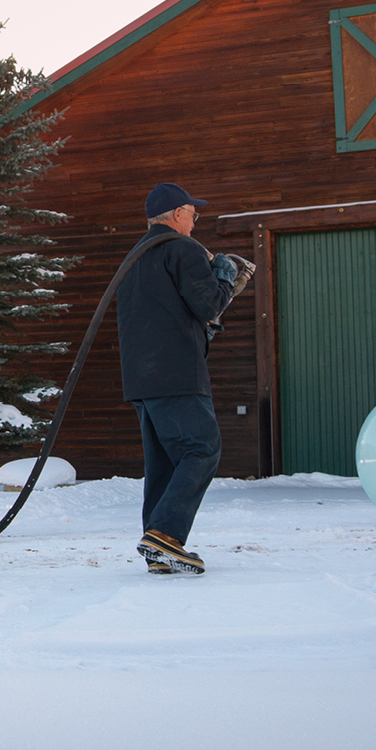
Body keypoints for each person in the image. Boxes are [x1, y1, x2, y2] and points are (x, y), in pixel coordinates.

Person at [116, 182, 253, 574]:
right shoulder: (183, 249)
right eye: (193, 213)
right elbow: (209, 304)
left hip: (142, 379)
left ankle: (160, 547)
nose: (195, 221)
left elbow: (162, 314)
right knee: (201, 448)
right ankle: (165, 534)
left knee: (163, 462)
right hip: (177, 374)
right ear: (177, 214)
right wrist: (225, 281)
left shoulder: (136, 257)